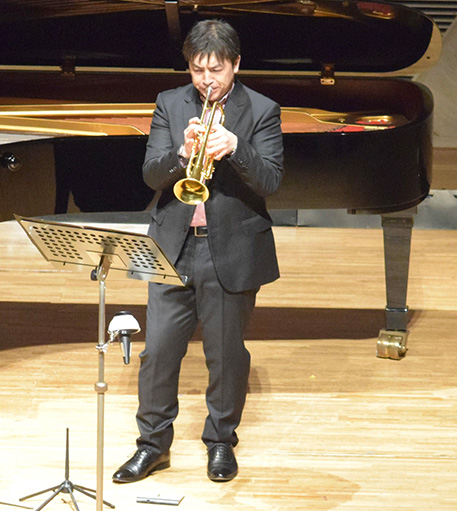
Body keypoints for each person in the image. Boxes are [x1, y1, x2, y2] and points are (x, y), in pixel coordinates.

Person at [112, 18, 284, 484]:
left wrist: (237, 147)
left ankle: (221, 442)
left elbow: (271, 180)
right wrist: (181, 155)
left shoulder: (262, 110)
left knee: (225, 356)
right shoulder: (170, 103)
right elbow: (151, 174)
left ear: (236, 64)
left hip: (230, 249)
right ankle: (152, 446)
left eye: (216, 70)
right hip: (173, 246)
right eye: (197, 69)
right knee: (157, 353)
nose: (207, 80)